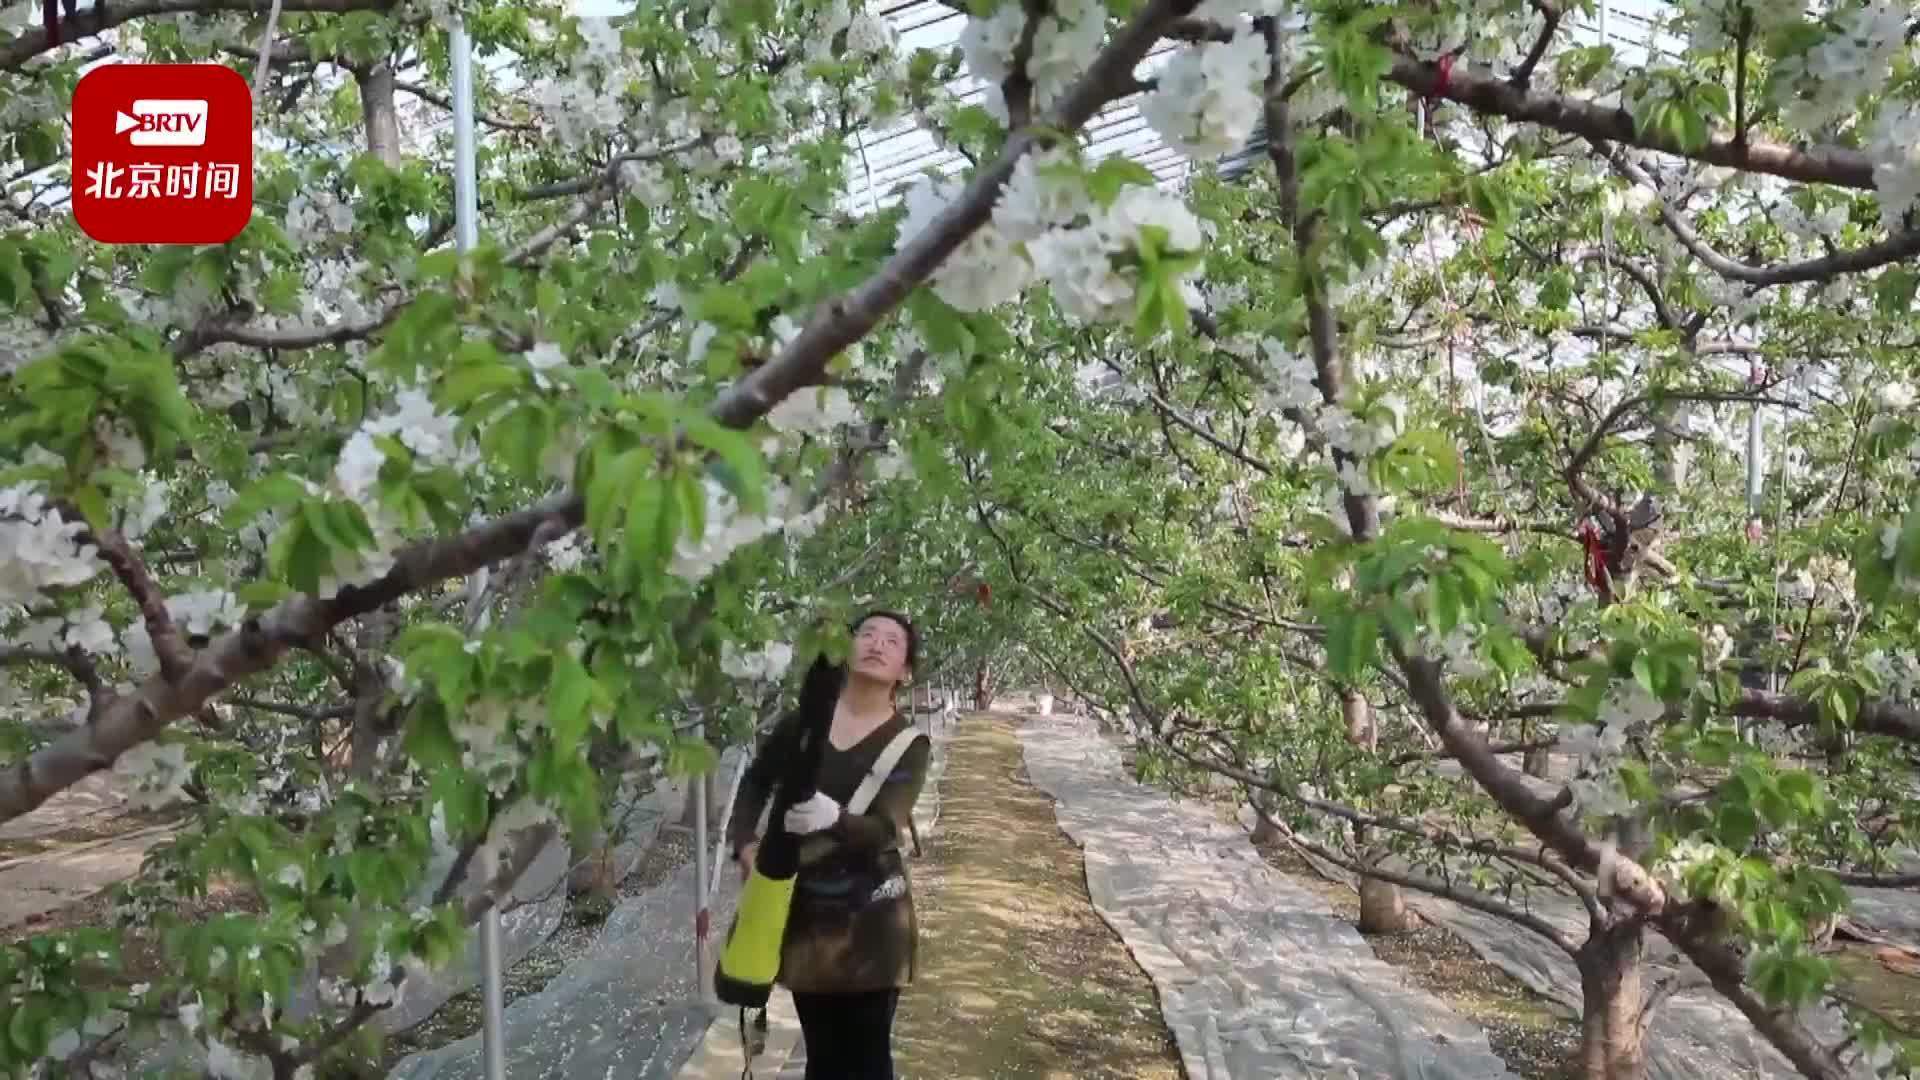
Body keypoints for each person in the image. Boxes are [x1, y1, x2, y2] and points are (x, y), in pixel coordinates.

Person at [725, 610, 931, 1080]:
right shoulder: (804, 724)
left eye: (892, 641)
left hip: (872, 922)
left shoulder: (908, 744)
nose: (877, 644)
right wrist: (745, 843)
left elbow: (885, 829)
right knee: (822, 1056)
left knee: (868, 1059)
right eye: (867, 634)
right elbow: (755, 782)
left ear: (904, 671)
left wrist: (834, 818)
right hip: (806, 916)